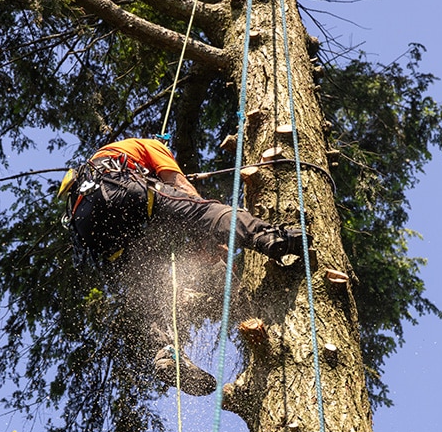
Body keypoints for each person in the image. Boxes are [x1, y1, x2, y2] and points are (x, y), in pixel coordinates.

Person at [60, 137, 310, 395]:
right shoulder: (151, 146)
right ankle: (269, 237)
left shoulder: (100, 163)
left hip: (91, 230)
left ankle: (166, 352)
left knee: (152, 288)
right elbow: (180, 187)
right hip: (119, 191)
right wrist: (213, 239)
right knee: (203, 210)